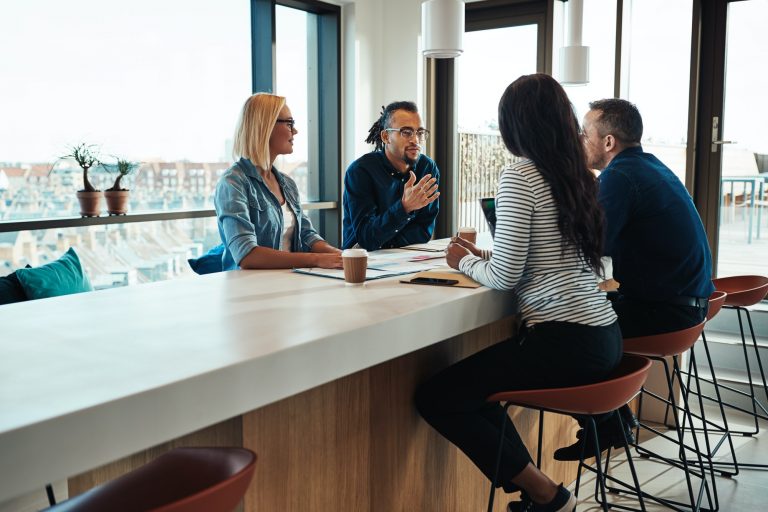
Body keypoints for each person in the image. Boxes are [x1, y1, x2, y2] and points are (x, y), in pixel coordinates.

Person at [415, 74, 622, 512]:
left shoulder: (520, 176)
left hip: (565, 341)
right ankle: (538, 492)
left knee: (438, 398)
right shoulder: (580, 176)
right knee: (479, 394)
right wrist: (484, 253)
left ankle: (547, 494)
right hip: (604, 334)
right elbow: (548, 254)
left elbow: (507, 276)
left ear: (515, 125)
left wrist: (463, 262)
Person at [552, 98, 716, 461]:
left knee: (565, 329)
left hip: (666, 312)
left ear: (608, 142)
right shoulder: (647, 167)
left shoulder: (620, 177)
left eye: (584, 133)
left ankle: (606, 422)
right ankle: (613, 421)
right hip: (685, 307)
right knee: (585, 318)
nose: (579, 140)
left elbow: (589, 251)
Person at [214, 93, 342, 270]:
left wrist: (337, 254)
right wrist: (315, 259)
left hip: (289, 282)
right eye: (289, 123)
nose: (295, 131)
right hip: (249, 290)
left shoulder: (287, 183)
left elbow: (306, 234)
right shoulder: (233, 183)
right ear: (265, 126)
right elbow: (246, 254)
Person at [342, 101, 440, 250]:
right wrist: (404, 207)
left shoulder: (427, 168)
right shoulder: (360, 171)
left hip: (407, 257)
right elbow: (366, 238)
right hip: (362, 261)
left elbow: (424, 231)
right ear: (386, 136)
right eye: (406, 132)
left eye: (420, 132)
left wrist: (387, 240)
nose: (415, 140)